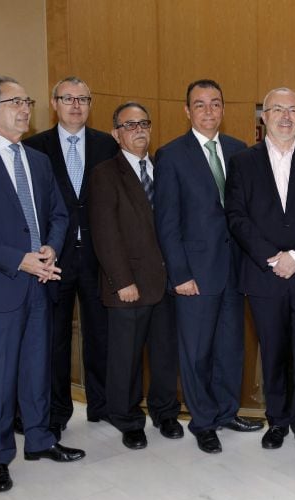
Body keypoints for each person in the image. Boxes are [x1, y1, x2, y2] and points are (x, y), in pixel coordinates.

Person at [0, 76, 84, 494]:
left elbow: (60, 215)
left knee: (36, 369)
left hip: (40, 282)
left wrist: (49, 249)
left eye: (26, 101)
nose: (24, 109)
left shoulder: (38, 161)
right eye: (14, 102)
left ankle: (40, 439)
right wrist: (16, 259)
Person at [154, 79, 262, 455]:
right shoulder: (170, 156)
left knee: (230, 348)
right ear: (187, 111)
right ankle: (203, 421)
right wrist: (179, 274)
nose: (208, 111)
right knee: (196, 351)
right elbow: (166, 222)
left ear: (223, 108)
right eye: (200, 105)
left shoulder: (237, 150)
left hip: (234, 270)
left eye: (215, 104)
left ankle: (227, 410)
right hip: (195, 274)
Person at [225, 87, 295, 455]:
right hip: (263, 275)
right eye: (277, 110)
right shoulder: (242, 162)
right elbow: (236, 217)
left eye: (293, 110)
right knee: (271, 352)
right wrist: (273, 257)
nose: (286, 116)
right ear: (264, 117)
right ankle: (278, 421)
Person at [23, 77, 119, 438]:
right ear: (53, 103)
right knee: (55, 339)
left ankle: (102, 405)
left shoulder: (108, 145)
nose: (76, 105)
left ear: (91, 104)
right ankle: (57, 412)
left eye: (83, 99)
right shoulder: (34, 148)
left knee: (101, 335)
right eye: (68, 98)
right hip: (53, 260)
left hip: (98, 258)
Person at [88, 102, 182, 451]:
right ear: (116, 133)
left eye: (144, 123)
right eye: (130, 125)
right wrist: (121, 280)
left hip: (165, 282)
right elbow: (105, 233)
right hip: (128, 285)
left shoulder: (163, 168)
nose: (139, 130)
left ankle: (165, 412)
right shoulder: (105, 173)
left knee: (163, 354)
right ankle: (127, 418)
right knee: (125, 358)